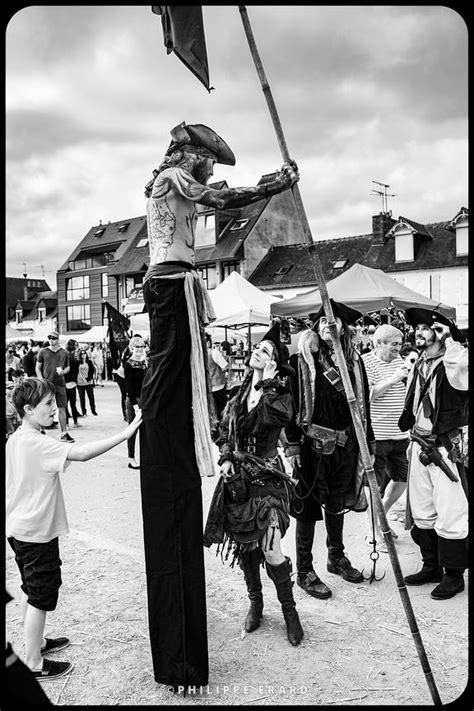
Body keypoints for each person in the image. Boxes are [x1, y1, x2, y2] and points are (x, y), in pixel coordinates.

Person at [139, 121, 299, 689]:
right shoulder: (171, 179)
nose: (211, 168)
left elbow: (215, 205)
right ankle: (155, 426)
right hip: (169, 283)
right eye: (209, 159)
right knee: (167, 383)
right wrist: (268, 188)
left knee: (179, 380)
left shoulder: (175, 181)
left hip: (177, 281)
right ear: (191, 154)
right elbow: (220, 198)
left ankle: (165, 422)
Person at [5, 377, 142, 680]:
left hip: (19, 529)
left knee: (32, 590)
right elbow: (80, 453)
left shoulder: (17, 438)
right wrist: (126, 433)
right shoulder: (37, 442)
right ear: (28, 409)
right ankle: (33, 663)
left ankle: (37, 642)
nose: (54, 409)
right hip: (35, 532)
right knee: (40, 596)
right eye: (48, 404)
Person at [204, 323, 303, 646]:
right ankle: (256, 603)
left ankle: (290, 611)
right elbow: (223, 432)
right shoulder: (238, 392)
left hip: (267, 478)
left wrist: (269, 382)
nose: (256, 352)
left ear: (274, 362)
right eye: (257, 349)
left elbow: (277, 419)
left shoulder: (279, 393)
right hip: (239, 481)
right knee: (246, 547)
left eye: (265, 351)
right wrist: (227, 457)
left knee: (272, 548)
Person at [284, 299, 374, 600]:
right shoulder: (303, 361)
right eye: (323, 321)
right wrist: (294, 445)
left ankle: (336, 557)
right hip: (312, 446)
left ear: (343, 329)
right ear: (316, 327)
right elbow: (292, 404)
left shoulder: (354, 362)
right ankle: (305, 570)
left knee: (337, 502)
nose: (328, 325)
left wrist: (368, 444)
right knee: (308, 508)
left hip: (345, 444)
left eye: (333, 322)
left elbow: (365, 406)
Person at [398, 308, 468, 600]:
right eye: (418, 327)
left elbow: (461, 362)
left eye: (427, 327)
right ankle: (431, 566)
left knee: (451, 512)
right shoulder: (420, 364)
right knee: (423, 511)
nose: (419, 331)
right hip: (419, 444)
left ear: (440, 334)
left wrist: (450, 335)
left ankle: (454, 576)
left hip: (445, 448)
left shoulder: (454, 362)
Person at [361, 324, 410, 551]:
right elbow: (366, 395)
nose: (398, 349)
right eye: (394, 344)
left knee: (402, 478)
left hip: (400, 434)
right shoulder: (366, 362)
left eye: (400, 344)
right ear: (379, 343)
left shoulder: (402, 362)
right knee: (376, 487)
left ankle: (383, 518)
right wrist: (393, 379)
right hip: (377, 436)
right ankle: (377, 534)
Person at [35, 332, 74, 443]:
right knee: (44, 407)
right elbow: (37, 367)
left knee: (62, 408)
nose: (51, 340)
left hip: (60, 384)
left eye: (54, 338)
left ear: (58, 339)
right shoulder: (43, 351)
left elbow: (68, 368)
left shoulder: (64, 352)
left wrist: (63, 371)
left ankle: (64, 433)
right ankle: (41, 430)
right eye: (49, 338)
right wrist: (41, 380)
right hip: (47, 384)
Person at [123, 336, 148, 469]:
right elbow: (129, 387)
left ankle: (145, 456)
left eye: (141, 346)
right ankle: (131, 457)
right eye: (137, 346)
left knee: (147, 429)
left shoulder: (146, 362)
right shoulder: (129, 364)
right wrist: (135, 405)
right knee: (133, 429)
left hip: (146, 399)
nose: (139, 349)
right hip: (134, 400)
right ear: (132, 347)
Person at [205, 333, 228, 436]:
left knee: (210, 410)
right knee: (222, 410)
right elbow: (224, 367)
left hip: (205, 387)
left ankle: (213, 432)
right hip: (218, 385)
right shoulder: (213, 352)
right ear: (209, 342)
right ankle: (223, 432)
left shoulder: (198, 354)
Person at [64, 340, 82, 429]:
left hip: (64, 383)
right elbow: (76, 370)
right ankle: (75, 422)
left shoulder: (64, 356)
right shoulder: (73, 358)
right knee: (73, 404)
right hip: (72, 383)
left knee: (65, 405)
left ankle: (66, 424)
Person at [76, 350, 97, 417]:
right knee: (82, 398)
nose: (83, 355)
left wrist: (88, 378)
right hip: (80, 382)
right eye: (82, 354)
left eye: (84, 354)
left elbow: (91, 370)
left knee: (91, 397)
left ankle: (93, 410)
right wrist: (82, 379)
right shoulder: (78, 362)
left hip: (89, 382)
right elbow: (77, 372)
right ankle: (84, 411)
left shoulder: (89, 362)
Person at [112, 355, 128, 422]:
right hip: (121, 375)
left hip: (128, 374)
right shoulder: (127, 351)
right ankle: (125, 414)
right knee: (124, 394)